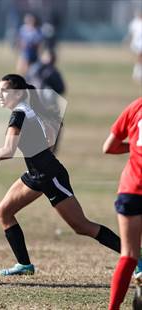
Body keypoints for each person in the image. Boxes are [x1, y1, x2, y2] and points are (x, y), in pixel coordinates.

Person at [0, 74, 121, 276]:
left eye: (4, 91)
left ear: (17, 94)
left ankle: (136, 257)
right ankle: (24, 265)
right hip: (35, 174)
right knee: (4, 212)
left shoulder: (19, 114)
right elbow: (50, 138)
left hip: (50, 176)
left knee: (82, 226)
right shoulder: (26, 109)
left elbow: (8, 151)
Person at [103, 98, 141, 310]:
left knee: (129, 255)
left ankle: (113, 308)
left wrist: (135, 147)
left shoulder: (136, 107)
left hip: (131, 188)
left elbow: (109, 147)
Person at [127, 12, 142, 83]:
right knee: (140, 58)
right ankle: (136, 75)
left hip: (139, 43)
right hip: (137, 43)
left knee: (140, 59)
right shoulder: (135, 23)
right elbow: (131, 33)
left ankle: (137, 74)